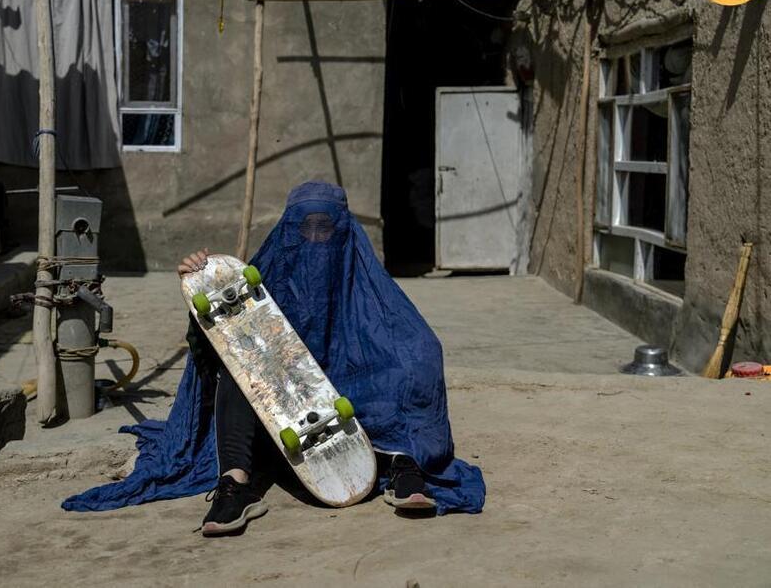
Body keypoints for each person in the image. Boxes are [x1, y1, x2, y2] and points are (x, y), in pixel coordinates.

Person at [63, 181, 485, 535]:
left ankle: (404, 464)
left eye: (326, 228)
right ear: (287, 232)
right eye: (305, 228)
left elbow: (412, 341)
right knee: (238, 372)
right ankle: (235, 486)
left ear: (345, 232)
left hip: (348, 424)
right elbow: (215, 345)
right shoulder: (266, 279)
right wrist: (199, 285)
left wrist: (410, 362)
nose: (315, 239)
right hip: (282, 420)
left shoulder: (365, 286)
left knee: (404, 364)